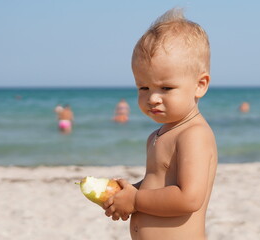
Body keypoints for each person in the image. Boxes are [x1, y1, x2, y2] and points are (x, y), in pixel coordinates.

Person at [103, 8, 218, 240]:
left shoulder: (193, 134)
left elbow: (189, 198)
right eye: (143, 87)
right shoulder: (158, 135)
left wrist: (136, 200)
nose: (152, 98)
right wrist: (127, 192)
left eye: (166, 88)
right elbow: (158, 186)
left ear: (200, 85)